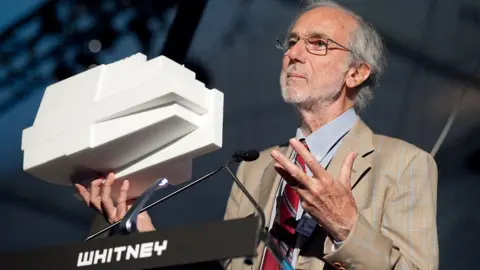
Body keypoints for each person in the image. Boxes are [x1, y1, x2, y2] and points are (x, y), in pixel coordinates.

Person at [77, 0, 439, 269]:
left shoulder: (405, 164)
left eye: (317, 43)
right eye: (293, 41)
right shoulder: (255, 166)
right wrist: (143, 235)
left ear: (356, 73)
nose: (294, 53)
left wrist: (348, 228)